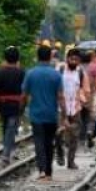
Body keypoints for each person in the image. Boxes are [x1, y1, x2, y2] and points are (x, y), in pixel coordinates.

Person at [22, 45, 65, 181]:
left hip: (36, 114)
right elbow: (60, 96)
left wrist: (22, 108)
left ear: (37, 56)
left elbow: (24, 94)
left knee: (39, 142)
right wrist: (63, 114)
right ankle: (49, 172)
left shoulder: (31, 73)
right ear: (50, 57)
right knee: (49, 143)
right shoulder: (56, 74)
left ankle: (41, 170)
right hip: (51, 114)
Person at [0, 46, 25, 164]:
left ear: (5, 58)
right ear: (17, 58)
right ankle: (7, 152)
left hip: (3, 104)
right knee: (11, 127)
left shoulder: (0, 72)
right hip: (16, 104)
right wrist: (23, 106)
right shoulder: (21, 72)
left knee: (6, 126)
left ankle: (7, 151)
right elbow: (24, 92)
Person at [57, 48, 88, 169]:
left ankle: (71, 161)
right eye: (72, 59)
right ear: (67, 59)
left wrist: (84, 100)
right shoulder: (60, 70)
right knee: (59, 133)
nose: (74, 61)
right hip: (61, 107)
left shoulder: (80, 73)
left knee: (75, 136)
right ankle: (59, 152)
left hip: (75, 108)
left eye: (76, 59)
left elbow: (85, 90)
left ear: (79, 61)